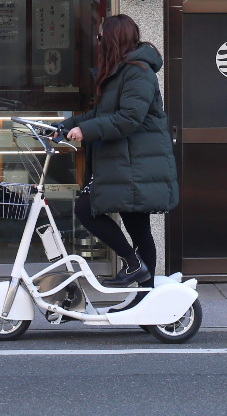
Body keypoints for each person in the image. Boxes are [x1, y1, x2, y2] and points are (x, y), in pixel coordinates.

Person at [59, 14, 178, 287]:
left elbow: (128, 119)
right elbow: (99, 114)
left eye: (100, 37)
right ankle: (144, 297)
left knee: (89, 211)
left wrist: (85, 132)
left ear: (112, 39)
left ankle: (136, 270)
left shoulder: (139, 72)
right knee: (138, 229)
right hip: (125, 163)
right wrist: (63, 126)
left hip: (135, 164)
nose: (97, 42)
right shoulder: (121, 71)